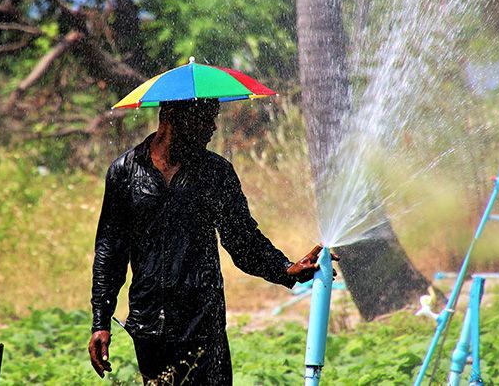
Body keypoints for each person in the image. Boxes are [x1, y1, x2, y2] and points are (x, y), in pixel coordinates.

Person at [88, 99, 337, 384]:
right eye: (204, 119)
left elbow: (242, 238)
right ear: (170, 117)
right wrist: (100, 321)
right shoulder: (125, 172)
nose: (213, 127)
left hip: (203, 322)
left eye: (213, 117)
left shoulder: (215, 173)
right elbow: (110, 252)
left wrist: (285, 268)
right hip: (149, 326)